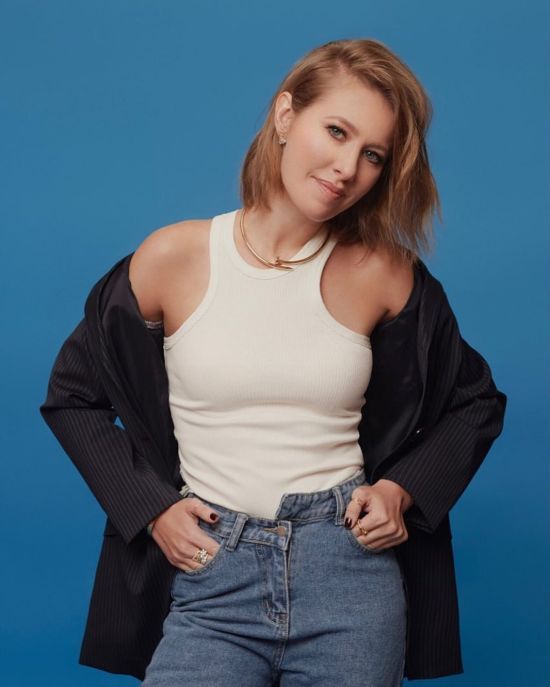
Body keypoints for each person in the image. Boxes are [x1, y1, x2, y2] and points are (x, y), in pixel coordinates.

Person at [40, 38, 507, 685]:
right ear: (286, 115)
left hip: (347, 575)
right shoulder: (172, 258)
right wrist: (150, 507)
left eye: (372, 154)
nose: (347, 167)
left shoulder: (385, 274)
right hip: (212, 574)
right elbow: (72, 396)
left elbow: (475, 401)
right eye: (336, 131)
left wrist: (400, 491)